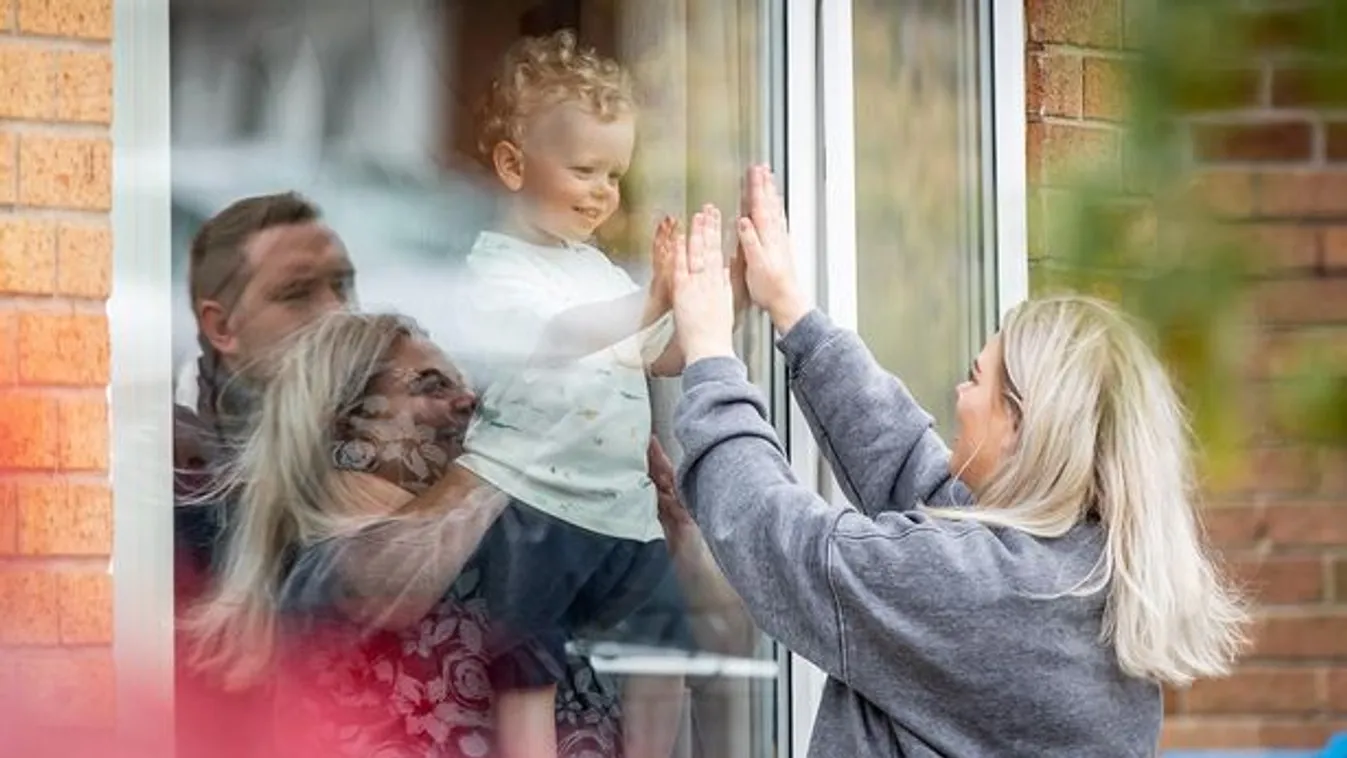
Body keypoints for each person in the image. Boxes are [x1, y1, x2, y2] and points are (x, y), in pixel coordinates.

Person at [664, 166, 1249, 757]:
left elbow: (784, 547)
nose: (958, 395)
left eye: (976, 379)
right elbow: (918, 478)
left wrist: (709, 354)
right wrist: (794, 314)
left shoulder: (994, 595)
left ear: (1025, 426)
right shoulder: (1083, 570)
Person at [173, 194, 630, 757]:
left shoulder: (472, 559)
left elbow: (706, 622)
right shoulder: (332, 577)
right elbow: (379, 581)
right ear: (349, 437)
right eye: (430, 387)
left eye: (344, 285)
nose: (467, 401)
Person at [455, 30, 745, 758]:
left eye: (615, 175)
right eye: (584, 169)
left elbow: (667, 356)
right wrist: (647, 302)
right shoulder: (497, 267)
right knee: (528, 671)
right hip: (532, 508)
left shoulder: (602, 274)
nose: (604, 192)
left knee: (664, 657)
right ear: (513, 165)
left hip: (622, 511)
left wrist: (713, 296)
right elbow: (557, 335)